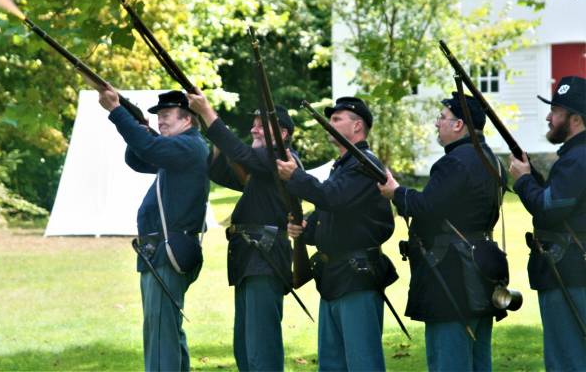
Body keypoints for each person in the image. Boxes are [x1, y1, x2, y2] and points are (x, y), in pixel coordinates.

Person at [377, 92, 507, 372]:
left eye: (442, 117)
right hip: (483, 265)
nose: (437, 123)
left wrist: (396, 192)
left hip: (451, 272)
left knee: (448, 360)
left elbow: (426, 207)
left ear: (459, 125)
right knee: (478, 359)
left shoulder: (454, 162)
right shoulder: (492, 160)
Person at [276, 96, 397, 371]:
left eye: (336, 119)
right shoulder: (343, 165)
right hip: (334, 276)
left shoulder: (365, 164)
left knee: (362, 362)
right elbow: (330, 213)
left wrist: (295, 177)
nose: (329, 124)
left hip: (357, 275)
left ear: (357, 127)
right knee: (332, 364)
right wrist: (306, 229)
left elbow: (332, 197)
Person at [98, 87, 209, 372]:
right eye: (158, 116)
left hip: (167, 251)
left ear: (187, 119)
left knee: (160, 336)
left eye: (167, 115)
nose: (161, 121)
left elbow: (148, 149)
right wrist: (139, 128)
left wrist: (117, 112)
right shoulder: (178, 148)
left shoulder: (189, 145)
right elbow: (136, 158)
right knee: (167, 330)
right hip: (159, 251)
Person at [187, 88, 299, 371]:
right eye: (254, 124)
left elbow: (239, 152)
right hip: (249, 258)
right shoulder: (260, 169)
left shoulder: (283, 158)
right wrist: (208, 128)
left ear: (283, 133)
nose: (254, 129)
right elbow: (219, 169)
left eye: (262, 125)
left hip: (265, 257)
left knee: (262, 347)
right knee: (245, 347)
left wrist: (208, 113)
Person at [508, 75, 586, 371]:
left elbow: (548, 210)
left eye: (556, 111)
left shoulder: (577, 158)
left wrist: (524, 180)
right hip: (575, 268)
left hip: (569, 270)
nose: (549, 117)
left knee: (566, 359)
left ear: (575, 118)